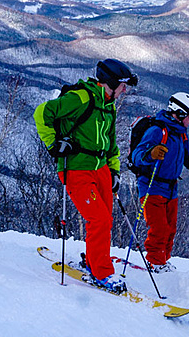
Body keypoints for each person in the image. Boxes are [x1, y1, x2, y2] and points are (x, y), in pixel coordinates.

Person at [34, 58, 138, 292]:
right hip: (76, 168)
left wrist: (114, 171)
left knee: (105, 219)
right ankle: (102, 273)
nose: (125, 90)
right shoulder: (81, 98)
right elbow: (42, 113)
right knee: (98, 219)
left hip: (100, 168)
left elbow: (110, 142)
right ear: (110, 82)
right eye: (123, 85)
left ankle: (93, 259)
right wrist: (53, 144)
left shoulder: (108, 104)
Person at [130, 92, 189, 272]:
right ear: (180, 113)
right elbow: (136, 156)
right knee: (159, 229)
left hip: (171, 188)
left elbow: (188, 157)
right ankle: (155, 263)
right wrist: (150, 154)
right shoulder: (157, 131)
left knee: (170, 229)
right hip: (151, 186)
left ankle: (163, 262)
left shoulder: (181, 134)